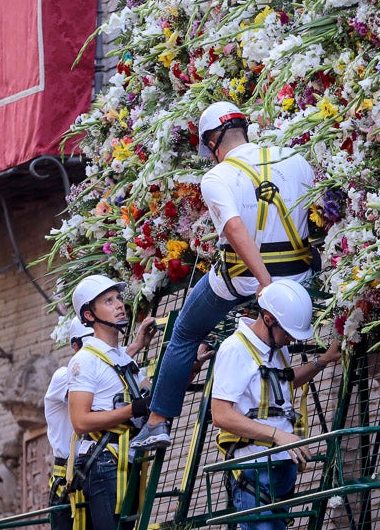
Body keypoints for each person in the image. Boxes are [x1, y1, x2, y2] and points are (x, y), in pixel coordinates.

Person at [130, 101, 316, 453]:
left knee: (185, 331)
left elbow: (233, 229)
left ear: (212, 142)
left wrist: (266, 285)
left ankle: (157, 423)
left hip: (250, 280)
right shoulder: (295, 157)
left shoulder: (218, 176)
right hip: (300, 277)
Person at [208, 280, 335, 530]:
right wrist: (279, 435)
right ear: (267, 318)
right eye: (288, 332)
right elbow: (222, 414)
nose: (293, 339)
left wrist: (323, 361)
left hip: (280, 466)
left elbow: (282, 380)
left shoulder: (274, 348)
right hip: (252, 466)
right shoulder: (235, 349)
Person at [67, 275, 156, 530]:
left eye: (118, 298)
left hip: (126, 460)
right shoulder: (85, 361)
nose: (119, 304)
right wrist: (130, 411)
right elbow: (80, 420)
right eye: (108, 301)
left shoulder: (120, 356)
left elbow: (144, 393)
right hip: (103, 466)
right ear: (88, 316)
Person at [43, 317, 93, 530]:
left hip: (97, 478)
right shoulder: (67, 374)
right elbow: (93, 379)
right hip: (69, 482)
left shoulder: (105, 369)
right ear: (75, 347)